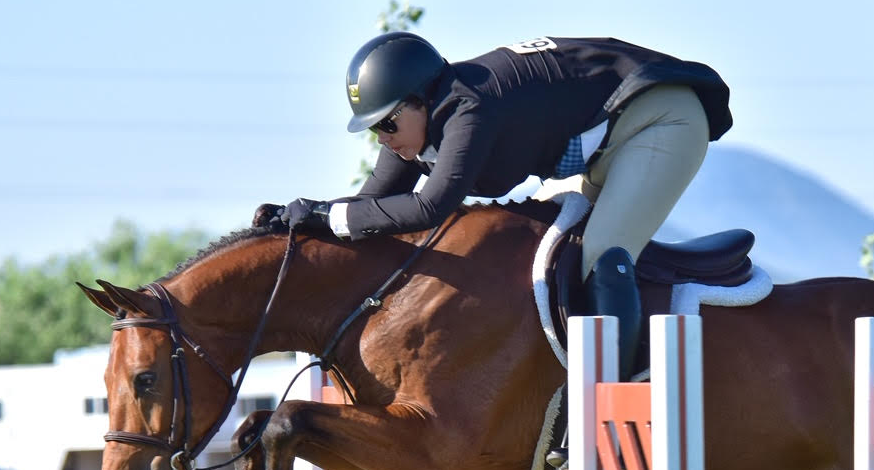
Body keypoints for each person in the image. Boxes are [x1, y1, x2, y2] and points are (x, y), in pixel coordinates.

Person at [281, 32, 732, 382]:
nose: (383, 137)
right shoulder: (421, 118)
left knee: (602, 256)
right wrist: (299, 220)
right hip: (608, 134)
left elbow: (428, 207)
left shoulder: (468, 110)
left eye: (388, 122)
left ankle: (624, 400)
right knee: (544, 255)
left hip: (661, 121)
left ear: (421, 100)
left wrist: (328, 215)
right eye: (374, 128)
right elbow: (369, 206)